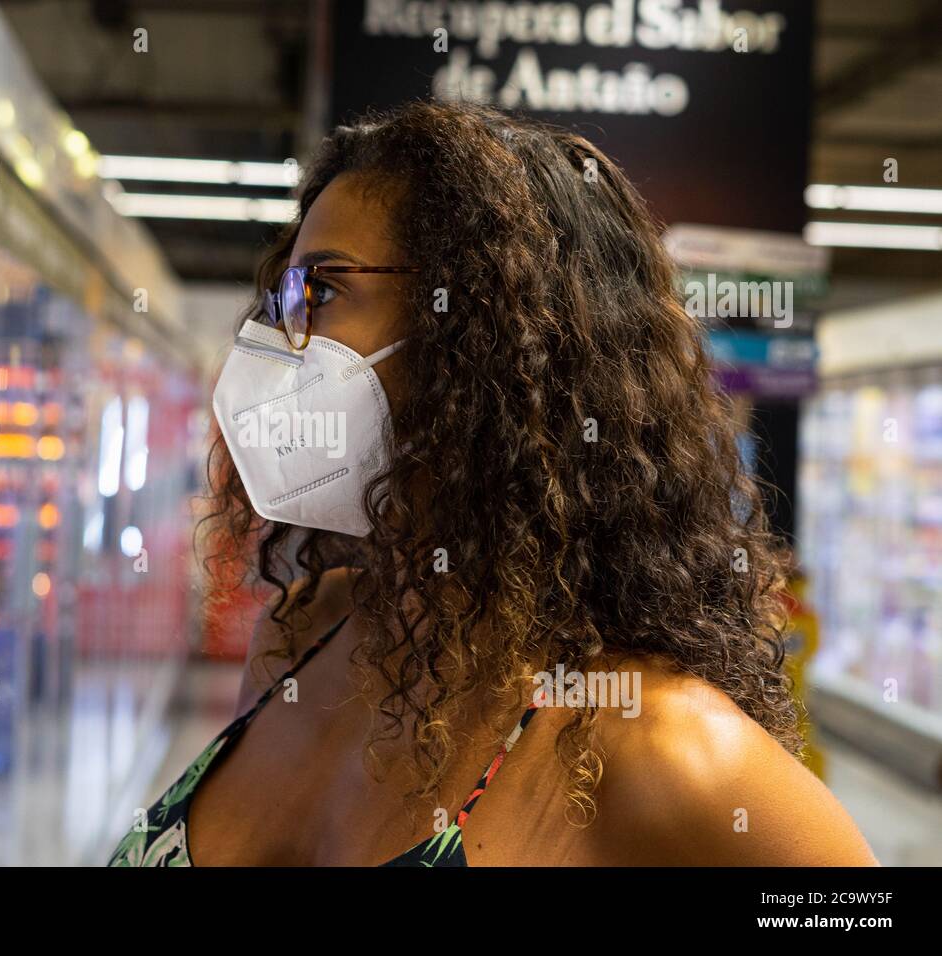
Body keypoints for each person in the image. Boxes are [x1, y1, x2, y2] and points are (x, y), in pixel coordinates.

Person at [107, 99, 879, 867]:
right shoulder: (304, 633)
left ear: (487, 336)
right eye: (280, 298)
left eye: (324, 291)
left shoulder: (647, 738)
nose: (274, 339)